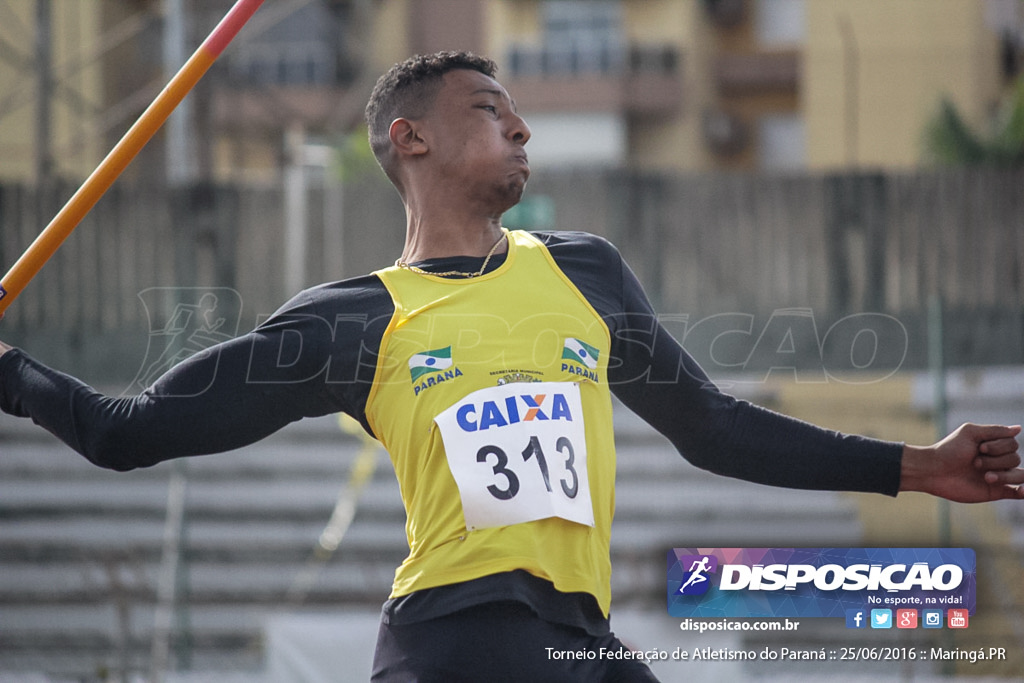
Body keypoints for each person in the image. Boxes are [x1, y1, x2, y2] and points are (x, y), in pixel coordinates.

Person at [1, 51, 1021, 682]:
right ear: (410, 139)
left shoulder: (582, 270)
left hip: (576, 636)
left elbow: (711, 425)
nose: (521, 125)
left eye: (518, 112)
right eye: (490, 109)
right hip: (457, 632)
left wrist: (914, 466)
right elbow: (122, 432)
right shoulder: (352, 321)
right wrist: (9, 367)